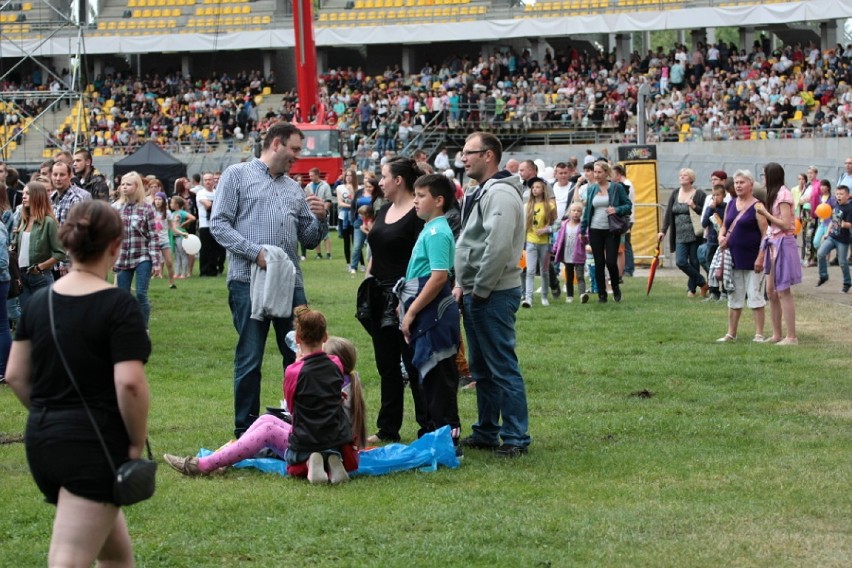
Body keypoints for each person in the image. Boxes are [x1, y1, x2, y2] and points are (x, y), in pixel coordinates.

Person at [5, 200, 151, 567]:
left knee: (116, 555)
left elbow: (17, 375)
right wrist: (134, 441)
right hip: (94, 446)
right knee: (69, 557)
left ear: (67, 242)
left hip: (43, 440)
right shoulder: (119, 305)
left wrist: (49, 411)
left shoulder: (39, 303)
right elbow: (130, 384)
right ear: (116, 245)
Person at [210, 122, 328, 438]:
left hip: (290, 282)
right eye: (295, 149)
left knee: (301, 352)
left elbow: (310, 239)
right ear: (276, 144)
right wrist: (255, 253)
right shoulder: (236, 176)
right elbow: (218, 225)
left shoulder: (293, 188)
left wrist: (321, 216)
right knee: (250, 356)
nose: (297, 157)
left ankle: (303, 423)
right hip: (247, 279)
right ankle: (245, 430)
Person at [163, 334, 366, 481]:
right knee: (267, 420)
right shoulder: (340, 383)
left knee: (268, 431)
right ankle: (226, 457)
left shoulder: (328, 385)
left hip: (318, 445)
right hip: (326, 443)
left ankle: (203, 465)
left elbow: (309, 421)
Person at [453, 132, 530, 458]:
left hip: (492, 293)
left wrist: (480, 288)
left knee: (501, 367)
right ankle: (486, 431)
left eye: (469, 153)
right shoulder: (483, 191)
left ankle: (515, 437)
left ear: (488, 155)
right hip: (479, 291)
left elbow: (497, 248)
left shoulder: (499, 194)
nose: (463, 158)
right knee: (482, 368)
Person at [362, 157, 428, 444]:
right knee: (386, 366)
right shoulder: (384, 208)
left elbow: (422, 258)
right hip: (377, 296)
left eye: (384, 177)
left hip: (405, 297)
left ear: (398, 180)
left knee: (413, 364)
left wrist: (410, 302)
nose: (380, 182)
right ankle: (388, 427)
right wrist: (367, 281)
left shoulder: (418, 212)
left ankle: (428, 426)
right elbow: (375, 251)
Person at [398, 173, 461, 450]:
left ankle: (446, 442)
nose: (415, 201)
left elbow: (438, 277)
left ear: (439, 200)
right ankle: (438, 438)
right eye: (415, 195)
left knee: (439, 380)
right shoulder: (430, 228)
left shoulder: (437, 231)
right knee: (433, 379)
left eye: (421, 196)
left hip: (433, 315)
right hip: (429, 313)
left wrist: (411, 312)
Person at [716, 170, 768, 342]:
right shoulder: (731, 204)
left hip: (753, 258)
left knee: (755, 296)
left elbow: (765, 234)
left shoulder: (758, 206)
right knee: (734, 296)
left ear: (751, 185)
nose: (738, 185)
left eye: (742, 182)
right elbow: (724, 225)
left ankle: (759, 334)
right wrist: (721, 236)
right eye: (736, 182)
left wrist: (761, 256)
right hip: (734, 258)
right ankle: (731, 333)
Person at [755, 163, 802, 345]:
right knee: (771, 291)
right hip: (773, 243)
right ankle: (777, 334)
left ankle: (791, 336)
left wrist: (765, 213)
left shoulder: (783, 194)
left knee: (783, 291)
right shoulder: (773, 195)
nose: (762, 179)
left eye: (764, 175)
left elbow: (784, 223)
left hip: (783, 243)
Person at [113, 172, 161, 329]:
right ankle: (125, 328)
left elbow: (153, 237)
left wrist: (156, 262)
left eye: (128, 184)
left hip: (142, 256)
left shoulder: (147, 208)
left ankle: (143, 329)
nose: (124, 187)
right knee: (123, 295)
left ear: (137, 187)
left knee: (141, 293)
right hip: (122, 258)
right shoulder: (115, 208)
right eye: (123, 184)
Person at [580, 161, 631, 303]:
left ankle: (615, 287)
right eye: (594, 172)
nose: (596, 175)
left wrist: (616, 209)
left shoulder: (616, 188)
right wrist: (582, 229)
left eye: (599, 172)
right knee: (599, 262)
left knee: (611, 262)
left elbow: (628, 205)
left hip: (611, 229)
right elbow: (587, 211)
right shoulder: (591, 189)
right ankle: (602, 293)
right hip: (595, 229)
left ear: (606, 173)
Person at [13, 181, 65, 313]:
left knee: (44, 319)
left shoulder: (48, 222)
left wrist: (39, 267)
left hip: (40, 277)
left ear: (38, 196)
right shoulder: (24, 220)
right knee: (29, 319)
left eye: (28, 194)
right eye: (23, 193)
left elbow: (60, 253)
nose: (23, 196)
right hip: (22, 277)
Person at [658, 168, 708, 298]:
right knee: (680, 262)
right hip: (679, 235)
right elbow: (669, 213)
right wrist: (663, 231)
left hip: (695, 234)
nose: (682, 177)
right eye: (680, 175)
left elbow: (705, 212)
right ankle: (702, 282)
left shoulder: (699, 194)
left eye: (685, 175)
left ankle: (691, 289)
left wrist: (694, 206)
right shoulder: (675, 193)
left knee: (694, 262)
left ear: (691, 179)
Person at [522, 176, 557, 308]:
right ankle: (528, 298)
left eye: (537, 187)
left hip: (545, 242)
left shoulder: (550, 206)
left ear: (543, 190)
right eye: (533, 188)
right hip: (531, 241)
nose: (535, 190)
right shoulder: (527, 206)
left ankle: (544, 296)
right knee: (530, 270)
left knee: (544, 270)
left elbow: (556, 224)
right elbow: (523, 225)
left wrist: (546, 229)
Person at [815, 184, 852, 293]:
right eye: (837, 194)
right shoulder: (836, 205)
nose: (838, 196)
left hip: (843, 240)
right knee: (820, 253)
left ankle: (847, 282)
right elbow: (832, 220)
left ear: (847, 196)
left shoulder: (849, 209)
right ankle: (823, 276)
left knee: (842, 262)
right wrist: (827, 233)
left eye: (841, 194)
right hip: (832, 237)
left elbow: (849, 224)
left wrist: (844, 224)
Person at [553, 202, 588, 304]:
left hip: (578, 254)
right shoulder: (564, 224)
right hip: (566, 254)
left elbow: (587, 239)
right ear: (570, 212)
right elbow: (559, 239)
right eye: (574, 210)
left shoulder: (582, 225)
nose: (576, 213)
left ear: (581, 213)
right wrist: (555, 249)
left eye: (578, 211)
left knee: (580, 275)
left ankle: (582, 294)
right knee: (569, 276)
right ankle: (569, 296)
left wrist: (583, 238)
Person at [349, 175, 381, 274]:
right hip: (359, 221)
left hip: (371, 222)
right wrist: (354, 219)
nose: (368, 188)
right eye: (366, 186)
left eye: (370, 187)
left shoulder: (377, 196)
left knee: (371, 246)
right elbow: (353, 205)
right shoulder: (359, 193)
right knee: (357, 246)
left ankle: (372, 266)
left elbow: (378, 209)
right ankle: (353, 267)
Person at [700, 185, 727, 302]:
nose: (716, 198)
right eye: (713, 195)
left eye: (718, 195)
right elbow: (704, 223)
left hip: (722, 241)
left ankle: (725, 292)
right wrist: (710, 209)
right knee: (711, 266)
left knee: (724, 266)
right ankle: (713, 292)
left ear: (724, 196)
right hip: (711, 241)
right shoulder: (710, 208)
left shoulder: (726, 207)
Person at [196, 172, 221, 277]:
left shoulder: (217, 192)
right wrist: (217, 203)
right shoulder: (201, 193)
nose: (207, 182)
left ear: (213, 181)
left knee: (215, 249)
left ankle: (213, 270)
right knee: (205, 249)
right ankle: (204, 271)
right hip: (205, 224)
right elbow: (208, 205)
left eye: (209, 179)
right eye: (205, 180)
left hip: (216, 224)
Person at [306, 168, 333, 260]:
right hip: (312, 212)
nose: (310, 177)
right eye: (309, 176)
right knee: (315, 233)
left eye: (312, 175)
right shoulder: (308, 186)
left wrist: (324, 211)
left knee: (326, 234)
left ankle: (328, 253)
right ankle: (318, 254)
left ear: (317, 175)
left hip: (322, 212)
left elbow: (328, 199)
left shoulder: (325, 185)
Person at [152, 192, 176, 289]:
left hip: (164, 241)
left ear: (164, 201)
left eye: (160, 199)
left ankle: (172, 283)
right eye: (156, 199)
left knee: (169, 262)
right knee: (149, 265)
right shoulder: (150, 211)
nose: (157, 201)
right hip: (153, 241)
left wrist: (182, 233)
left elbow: (172, 227)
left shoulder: (168, 213)